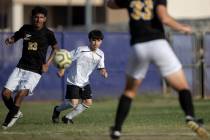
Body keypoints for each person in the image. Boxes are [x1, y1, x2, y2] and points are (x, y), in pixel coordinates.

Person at [107, 0, 209, 139]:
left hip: (139, 47)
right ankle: (190, 117)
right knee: (182, 87)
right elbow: (164, 18)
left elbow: (110, 4)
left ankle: (117, 129)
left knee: (129, 92)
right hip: (158, 44)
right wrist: (182, 28)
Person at [1, 6, 59, 129]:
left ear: (45, 19)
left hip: (35, 70)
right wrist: (10, 40)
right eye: (36, 17)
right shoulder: (26, 29)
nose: (38, 19)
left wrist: (47, 63)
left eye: (41, 17)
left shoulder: (49, 34)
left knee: (21, 93)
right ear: (32, 18)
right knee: (5, 94)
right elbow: (15, 37)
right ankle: (15, 112)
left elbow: (55, 48)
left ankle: (8, 121)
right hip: (21, 67)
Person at [52, 29, 108, 124]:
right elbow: (66, 58)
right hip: (74, 80)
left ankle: (67, 118)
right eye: (93, 40)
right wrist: (61, 70)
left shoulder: (101, 54)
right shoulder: (81, 50)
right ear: (90, 40)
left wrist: (104, 72)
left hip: (85, 81)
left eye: (98, 40)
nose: (96, 43)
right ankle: (57, 109)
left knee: (88, 102)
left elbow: (101, 67)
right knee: (73, 104)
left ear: (101, 41)